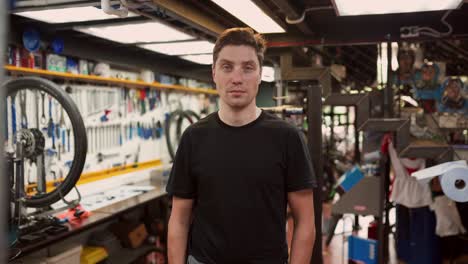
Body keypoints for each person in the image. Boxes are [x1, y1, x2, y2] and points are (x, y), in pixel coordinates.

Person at [166, 27, 316, 264]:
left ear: (259, 74)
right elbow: (179, 219)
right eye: (227, 67)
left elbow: (305, 221)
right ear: (214, 73)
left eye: (248, 68)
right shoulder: (193, 138)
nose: (237, 78)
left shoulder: (288, 138)